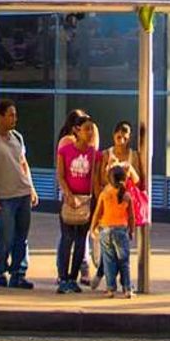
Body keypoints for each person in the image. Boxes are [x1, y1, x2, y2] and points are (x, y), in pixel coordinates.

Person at [0, 99, 39, 289]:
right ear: (0, 116)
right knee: (5, 234)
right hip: (4, 195)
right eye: (11, 114)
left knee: (22, 236)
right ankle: (0, 269)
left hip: (22, 192)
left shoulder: (17, 137)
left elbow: (23, 163)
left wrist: (31, 187)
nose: (14, 118)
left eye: (15, 115)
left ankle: (19, 273)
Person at [90, 119, 146, 287]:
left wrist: (129, 169)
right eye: (118, 136)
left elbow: (139, 182)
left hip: (124, 206)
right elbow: (99, 180)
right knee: (109, 249)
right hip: (109, 207)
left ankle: (119, 282)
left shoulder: (133, 156)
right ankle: (107, 278)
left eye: (124, 137)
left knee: (120, 251)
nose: (121, 140)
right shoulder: (107, 155)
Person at [56, 109, 100, 285]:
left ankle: (73, 278)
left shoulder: (95, 154)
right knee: (67, 238)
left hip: (86, 201)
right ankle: (63, 277)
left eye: (92, 129)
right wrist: (68, 194)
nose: (90, 133)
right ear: (76, 130)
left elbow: (96, 179)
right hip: (69, 200)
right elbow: (61, 174)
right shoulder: (65, 149)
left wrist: (97, 203)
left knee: (81, 240)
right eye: (86, 129)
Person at [89, 163, 135, 298]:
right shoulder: (127, 196)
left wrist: (93, 227)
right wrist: (131, 230)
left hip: (106, 230)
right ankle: (127, 288)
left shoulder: (105, 194)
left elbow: (98, 213)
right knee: (124, 261)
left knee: (109, 261)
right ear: (125, 179)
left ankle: (110, 289)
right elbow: (131, 216)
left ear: (109, 179)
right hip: (121, 230)